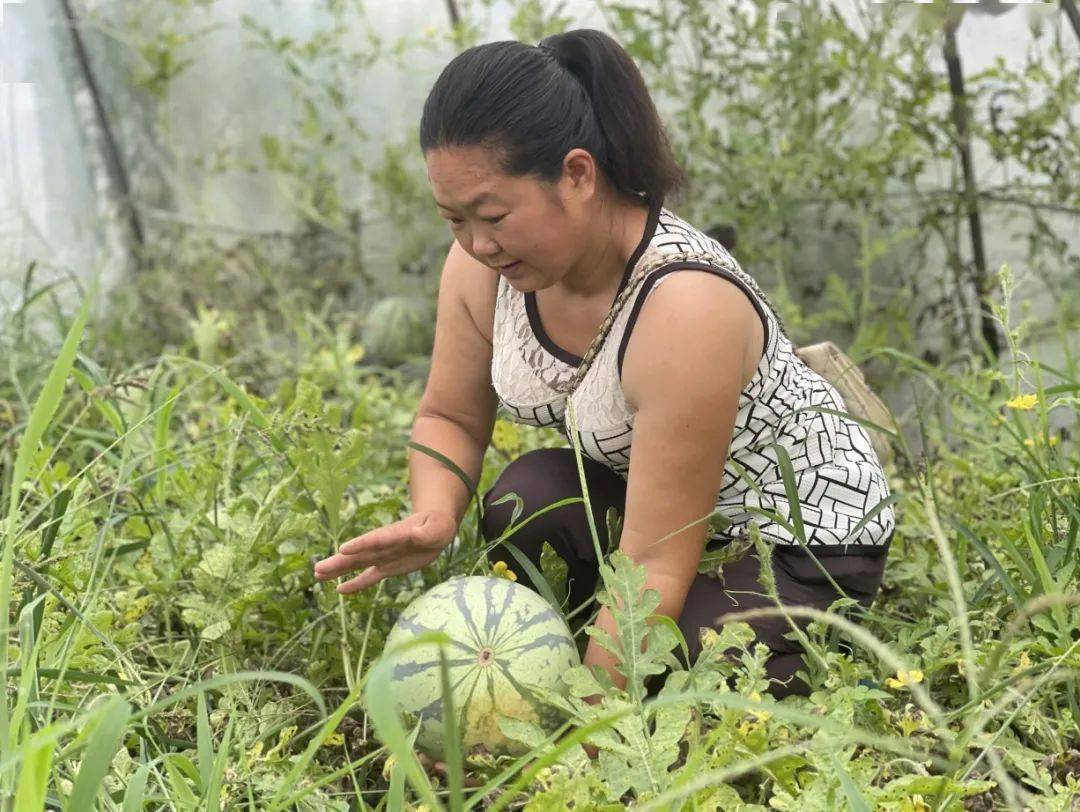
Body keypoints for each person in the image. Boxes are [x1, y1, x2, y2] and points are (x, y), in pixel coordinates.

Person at [313, 29, 896, 705]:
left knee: (687, 681)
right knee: (526, 498)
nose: (477, 243)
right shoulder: (483, 267)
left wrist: (579, 735)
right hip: (677, 516)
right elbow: (448, 415)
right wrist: (434, 515)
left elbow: (651, 563)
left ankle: (793, 631)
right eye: (454, 220)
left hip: (795, 542)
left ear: (579, 175)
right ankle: (589, 652)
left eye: (493, 214)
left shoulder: (684, 306)